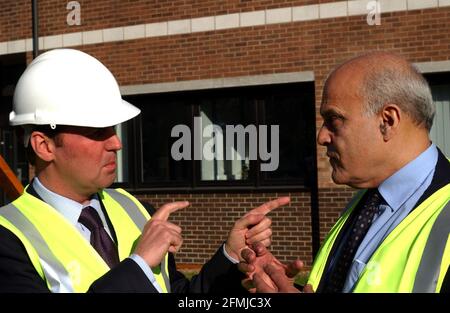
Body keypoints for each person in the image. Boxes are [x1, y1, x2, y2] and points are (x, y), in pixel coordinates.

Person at [0, 48, 290, 293]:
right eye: (97, 131)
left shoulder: (135, 209)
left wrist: (228, 259)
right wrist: (138, 265)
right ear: (44, 146)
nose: (116, 143)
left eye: (112, 129)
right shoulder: (8, 237)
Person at [238, 51, 450, 293]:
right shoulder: (367, 200)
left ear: (388, 121)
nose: (322, 137)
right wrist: (283, 286)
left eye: (334, 120)